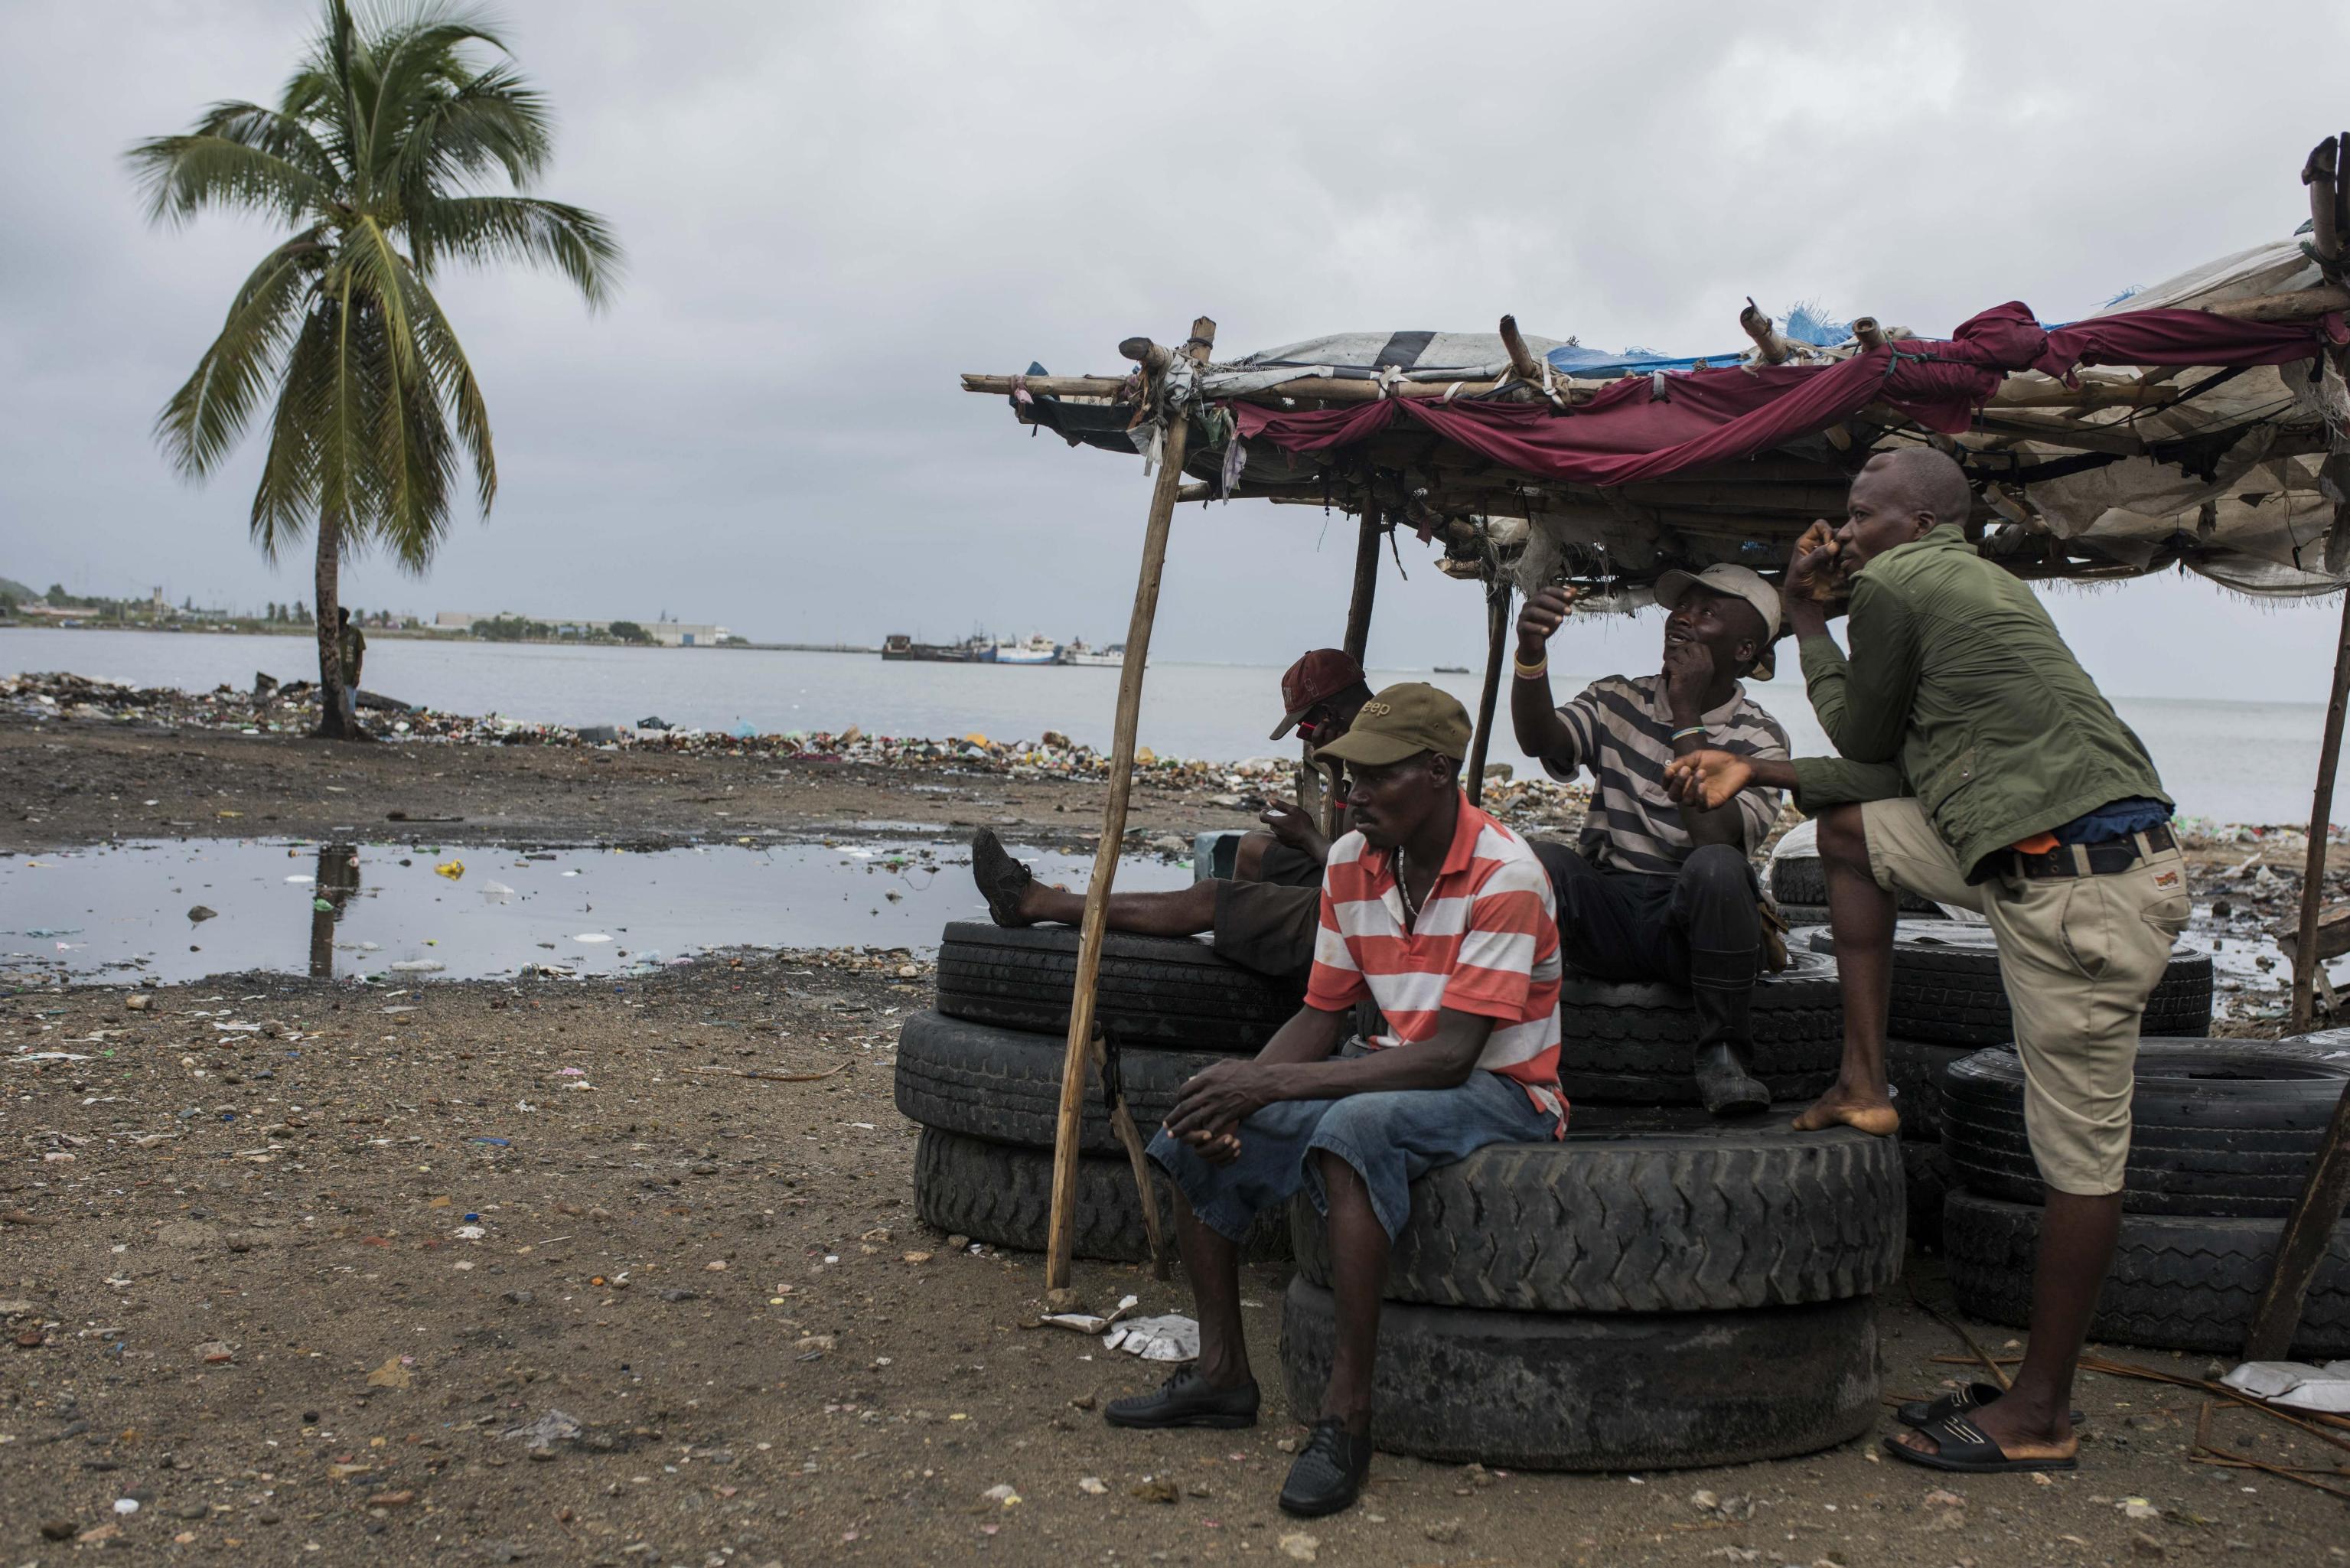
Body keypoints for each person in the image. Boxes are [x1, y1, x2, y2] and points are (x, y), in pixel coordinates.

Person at [1664, 447, 2189, 1475]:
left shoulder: (1898, 581)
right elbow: (1885, 769)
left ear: (1912, 518)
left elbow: (1856, 724)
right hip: (2022, 847)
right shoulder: (1965, 583)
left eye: (1858, 515)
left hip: (2081, 888)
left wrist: (1805, 616)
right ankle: (1864, 1080)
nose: (1842, 534)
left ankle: (2039, 1410)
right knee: (1848, 833)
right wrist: (1755, 765)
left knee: (2078, 1161)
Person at [1103, 683, 1563, 1517]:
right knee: (1198, 1110)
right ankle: (1220, 1375)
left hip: (1503, 1088)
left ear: (1435, 772)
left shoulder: (1508, 875)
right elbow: (1321, 1014)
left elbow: (1452, 1056)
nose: (1353, 793)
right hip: (1393, 1064)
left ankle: (1346, 1418)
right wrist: (1237, 1095)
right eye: (1347, 773)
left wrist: (1270, 1083)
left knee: (1352, 1130)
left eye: (1375, 775)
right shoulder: (1352, 862)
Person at [1510, 562, 1794, 1115]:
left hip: (1691, 925)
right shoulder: (1617, 698)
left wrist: (1686, 712)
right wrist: (1530, 654)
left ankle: (1723, 1056)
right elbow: (1538, 739)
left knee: (1715, 866)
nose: (1682, 620)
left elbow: (1713, 836)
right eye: (1681, 607)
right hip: (1612, 907)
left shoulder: (1759, 737)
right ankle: (1509, 1034)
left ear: (1742, 650)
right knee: (1535, 860)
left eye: (1705, 612)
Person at [969, 650, 1373, 983]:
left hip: (1370, 910)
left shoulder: (1385, 751)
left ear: (1329, 715)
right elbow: (1352, 846)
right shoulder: (1363, 745)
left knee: (1209, 896)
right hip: (1359, 881)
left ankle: (1034, 903)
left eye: (1304, 727)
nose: (1307, 738)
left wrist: (1307, 836)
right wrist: (1337, 773)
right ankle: (1247, 940)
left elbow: (1357, 867)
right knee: (1253, 848)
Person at [337, 606, 366, 716]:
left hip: (349, 677)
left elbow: (360, 654)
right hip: (334, 677)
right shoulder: (331, 633)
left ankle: (350, 727)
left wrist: (358, 674)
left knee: (350, 706)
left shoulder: (355, 633)